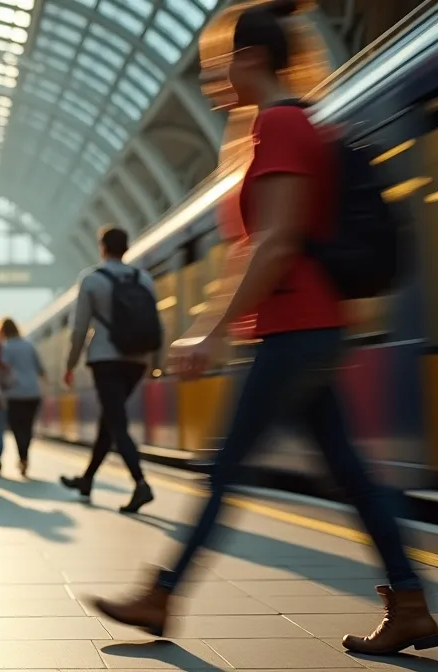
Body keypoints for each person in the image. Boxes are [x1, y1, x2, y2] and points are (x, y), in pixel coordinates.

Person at [93, 1, 438, 655]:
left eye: (224, 62)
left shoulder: (280, 127)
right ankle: (411, 603)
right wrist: (213, 319)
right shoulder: (288, 125)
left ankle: (162, 595)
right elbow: (265, 245)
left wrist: (216, 331)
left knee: (224, 468)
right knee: (351, 473)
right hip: (307, 327)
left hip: (294, 328)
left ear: (253, 58)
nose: (217, 77)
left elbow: (276, 242)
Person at [58, 226, 156, 514]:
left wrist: (70, 364)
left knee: (116, 422)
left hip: (106, 359)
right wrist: (153, 362)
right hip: (137, 361)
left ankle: (140, 483)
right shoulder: (144, 278)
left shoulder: (91, 280)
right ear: (126, 247)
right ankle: (87, 480)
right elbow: (154, 323)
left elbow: (79, 330)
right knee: (110, 419)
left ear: (102, 248)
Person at [0, 318, 43, 478]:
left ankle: (22, 457)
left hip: (15, 394)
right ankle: (25, 456)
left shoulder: (5, 348)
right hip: (33, 392)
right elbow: (40, 368)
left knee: (17, 428)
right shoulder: (29, 345)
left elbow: (2, 369)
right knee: (28, 426)